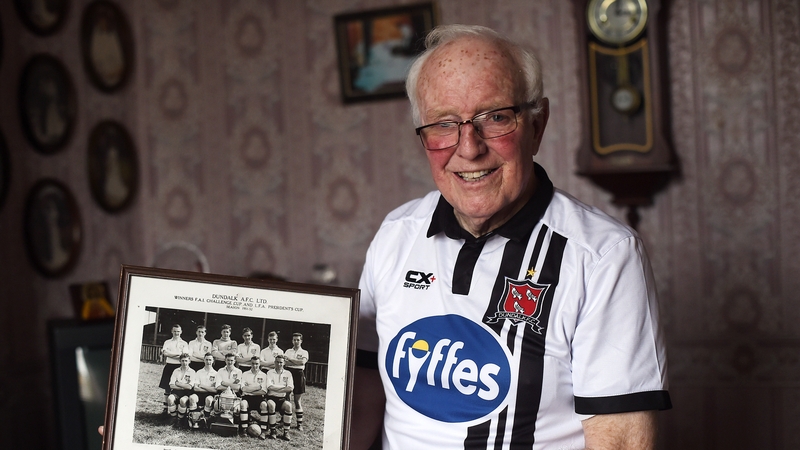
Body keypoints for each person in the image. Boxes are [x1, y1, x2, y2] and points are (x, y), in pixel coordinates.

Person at [351, 24, 671, 450]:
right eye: (444, 124)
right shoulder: (396, 234)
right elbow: (365, 385)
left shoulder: (603, 256)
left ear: (537, 125)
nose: (468, 148)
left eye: (495, 117)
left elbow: (623, 442)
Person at [158, 324, 188, 415]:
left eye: (178, 331)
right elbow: (165, 353)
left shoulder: (184, 343)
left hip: (179, 367)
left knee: (178, 387)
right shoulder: (167, 342)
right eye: (175, 331)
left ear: (181, 332)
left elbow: (183, 355)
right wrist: (177, 354)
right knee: (167, 387)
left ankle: (176, 408)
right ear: (172, 331)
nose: (176, 333)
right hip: (169, 365)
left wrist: (170, 353)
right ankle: (165, 408)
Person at [264, 354, 294, 441]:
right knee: (271, 405)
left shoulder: (288, 373)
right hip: (271, 397)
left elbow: (290, 388)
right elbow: (269, 386)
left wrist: (276, 388)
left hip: (282, 399)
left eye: (281, 362)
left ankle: (286, 432)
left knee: (289, 406)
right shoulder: (269, 372)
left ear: (284, 363)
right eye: (277, 362)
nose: (279, 364)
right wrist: (283, 388)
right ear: (274, 362)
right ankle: (273, 431)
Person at [284, 332, 309, 431]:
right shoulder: (288, 351)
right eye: (294, 340)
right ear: (292, 340)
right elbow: (285, 363)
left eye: (298, 340)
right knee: (287, 399)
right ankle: (285, 420)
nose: (296, 341)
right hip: (288, 373)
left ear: (301, 341)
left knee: (297, 400)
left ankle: (299, 424)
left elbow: (302, 362)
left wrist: (290, 360)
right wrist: (294, 361)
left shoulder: (304, 352)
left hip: (299, 374)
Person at [239, 355, 269, 438]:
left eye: (256, 364)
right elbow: (243, 389)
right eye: (253, 363)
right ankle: (244, 430)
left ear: (259, 364)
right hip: (247, 398)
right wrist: (257, 387)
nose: (254, 366)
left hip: (259, 398)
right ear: (250, 364)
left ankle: (263, 431)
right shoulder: (245, 374)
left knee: (264, 405)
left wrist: (250, 389)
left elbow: (264, 391)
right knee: (243, 404)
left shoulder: (264, 375)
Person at [167, 353, 197, 428]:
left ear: (189, 361)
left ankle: (180, 419)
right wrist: (183, 387)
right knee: (170, 399)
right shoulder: (176, 371)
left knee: (183, 401)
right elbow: (171, 385)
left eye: (186, 361)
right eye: (183, 361)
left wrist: (178, 383)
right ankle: (174, 418)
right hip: (176, 392)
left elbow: (190, 387)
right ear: (180, 361)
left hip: (187, 393)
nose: (184, 363)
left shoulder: (192, 372)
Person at [191, 352, 218, 429]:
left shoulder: (216, 374)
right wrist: (209, 389)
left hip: (209, 395)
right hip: (199, 393)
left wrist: (202, 386)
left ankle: (206, 420)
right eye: (206, 360)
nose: (208, 362)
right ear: (204, 360)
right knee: (192, 398)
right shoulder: (199, 372)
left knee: (209, 399)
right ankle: (195, 420)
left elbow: (215, 390)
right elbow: (195, 388)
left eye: (210, 360)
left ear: (213, 361)